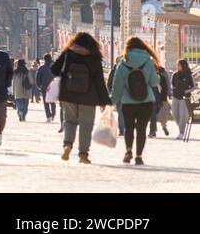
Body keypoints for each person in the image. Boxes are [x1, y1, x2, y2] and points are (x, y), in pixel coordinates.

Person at [51, 31, 111, 164]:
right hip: (88, 97)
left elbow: (54, 69)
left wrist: (65, 71)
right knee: (86, 125)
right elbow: (99, 81)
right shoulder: (94, 57)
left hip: (68, 94)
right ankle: (83, 154)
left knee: (69, 121)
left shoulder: (68, 53)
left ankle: (67, 144)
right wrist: (103, 100)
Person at [109, 37, 161, 165]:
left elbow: (117, 86)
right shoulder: (148, 61)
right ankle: (139, 156)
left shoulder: (123, 62)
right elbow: (154, 82)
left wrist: (111, 101)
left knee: (129, 127)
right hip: (146, 101)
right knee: (142, 129)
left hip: (128, 102)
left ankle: (128, 151)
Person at [172, 59, 194, 140]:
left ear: (183, 65)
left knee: (183, 116)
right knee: (174, 114)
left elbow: (193, 86)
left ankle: (181, 132)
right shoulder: (175, 74)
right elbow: (172, 84)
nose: (177, 66)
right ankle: (181, 128)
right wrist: (173, 89)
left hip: (185, 98)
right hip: (175, 97)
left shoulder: (189, 75)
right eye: (177, 65)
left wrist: (186, 91)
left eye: (179, 65)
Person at [150, 61, 170, 138]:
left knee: (159, 115)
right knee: (153, 115)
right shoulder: (150, 78)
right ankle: (153, 131)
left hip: (159, 98)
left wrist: (163, 99)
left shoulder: (161, 78)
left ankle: (158, 129)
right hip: (154, 99)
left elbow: (164, 89)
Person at [35, 54, 56, 121]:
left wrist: (38, 85)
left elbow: (38, 77)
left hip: (44, 86)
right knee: (52, 101)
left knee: (46, 101)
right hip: (53, 86)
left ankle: (48, 116)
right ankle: (53, 114)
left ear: (44, 59)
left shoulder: (42, 68)